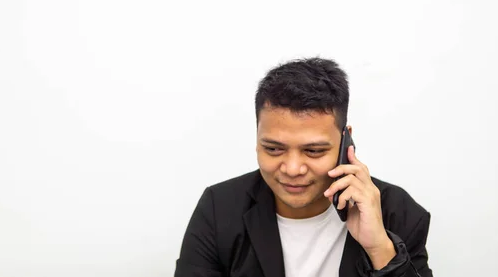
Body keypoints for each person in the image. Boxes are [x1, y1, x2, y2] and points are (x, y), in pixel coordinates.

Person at [174, 57, 432, 277]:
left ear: (346, 141)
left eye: (314, 151)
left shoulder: (396, 211)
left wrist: (380, 248)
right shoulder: (219, 209)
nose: (293, 168)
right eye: (274, 149)